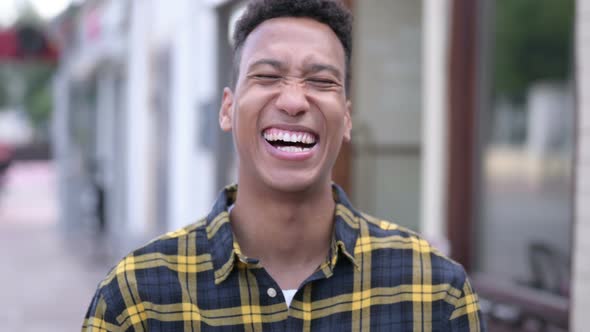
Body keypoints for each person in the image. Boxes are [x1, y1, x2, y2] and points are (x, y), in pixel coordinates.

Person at [82, 0, 485, 330]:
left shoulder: (432, 292)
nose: (294, 101)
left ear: (346, 118)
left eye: (321, 81)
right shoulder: (139, 298)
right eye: (268, 76)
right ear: (227, 109)